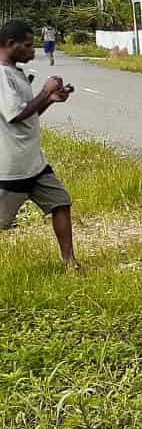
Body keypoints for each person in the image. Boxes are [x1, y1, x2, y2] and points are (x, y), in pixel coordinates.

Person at [0, 19, 79, 270]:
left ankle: (70, 263)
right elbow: (16, 115)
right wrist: (44, 92)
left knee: (60, 202)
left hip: (34, 163)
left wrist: (51, 99)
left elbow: (27, 115)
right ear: (11, 45)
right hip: (12, 167)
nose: (33, 50)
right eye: (28, 45)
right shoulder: (1, 75)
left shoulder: (13, 72)